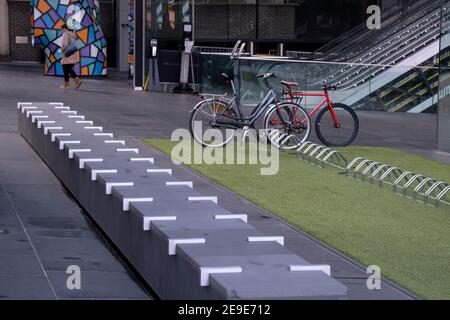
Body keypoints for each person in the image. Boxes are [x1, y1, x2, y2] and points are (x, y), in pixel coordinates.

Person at [60, 24, 82, 89]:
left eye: (61, 29)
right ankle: (67, 84)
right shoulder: (72, 34)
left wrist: (61, 50)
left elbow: (65, 45)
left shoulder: (65, 34)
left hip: (67, 54)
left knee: (66, 68)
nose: (61, 30)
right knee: (66, 69)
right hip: (72, 54)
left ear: (64, 28)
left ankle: (77, 80)